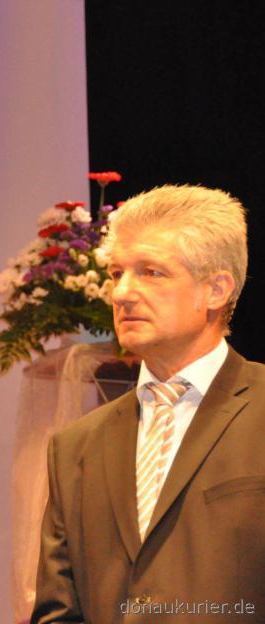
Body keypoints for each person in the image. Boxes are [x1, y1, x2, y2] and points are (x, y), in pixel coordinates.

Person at [32, 185, 265, 623]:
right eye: (117, 273)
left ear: (216, 290)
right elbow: (58, 612)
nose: (121, 293)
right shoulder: (75, 446)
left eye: (151, 272)